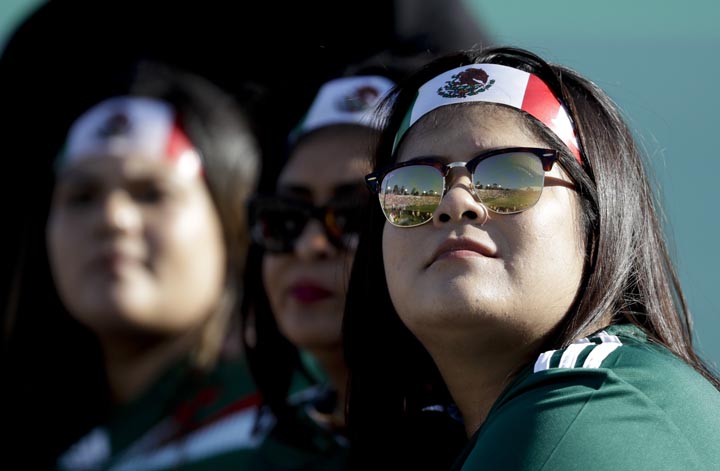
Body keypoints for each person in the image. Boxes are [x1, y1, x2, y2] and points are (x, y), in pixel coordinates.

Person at [344, 45, 720, 470]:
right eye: (412, 188)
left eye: (509, 176)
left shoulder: (589, 409)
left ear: (597, 225)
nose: (454, 203)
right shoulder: (437, 437)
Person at [3, 59, 264, 470]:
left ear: (233, 224)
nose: (112, 218)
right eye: (82, 196)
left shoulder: (287, 430)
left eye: (151, 193)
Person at [240, 73, 397, 470]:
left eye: (354, 218)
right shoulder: (283, 444)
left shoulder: (489, 432)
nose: (310, 246)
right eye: (285, 219)